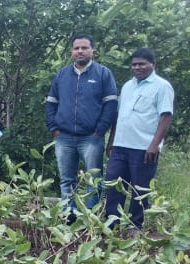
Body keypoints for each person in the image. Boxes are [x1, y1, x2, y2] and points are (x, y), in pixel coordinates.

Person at [45, 34, 118, 218]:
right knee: (66, 180)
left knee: (93, 180)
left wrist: (100, 130)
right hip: (64, 137)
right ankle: (68, 218)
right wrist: (54, 128)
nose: (80, 51)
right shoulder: (62, 74)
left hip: (91, 138)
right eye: (76, 48)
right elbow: (51, 102)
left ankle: (89, 218)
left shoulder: (103, 73)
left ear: (92, 51)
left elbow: (110, 104)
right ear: (71, 52)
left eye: (84, 48)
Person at [104, 47, 174, 230]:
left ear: (153, 64)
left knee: (139, 189)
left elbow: (165, 116)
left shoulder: (162, 86)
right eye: (134, 64)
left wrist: (154, 144)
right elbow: (119, 116)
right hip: (120, 146)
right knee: (113, 185)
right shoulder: (128, 86)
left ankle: (136, 227)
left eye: (142, 64)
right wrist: (111, 141)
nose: (137, 67)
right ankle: (111, 225)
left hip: (144, 148)